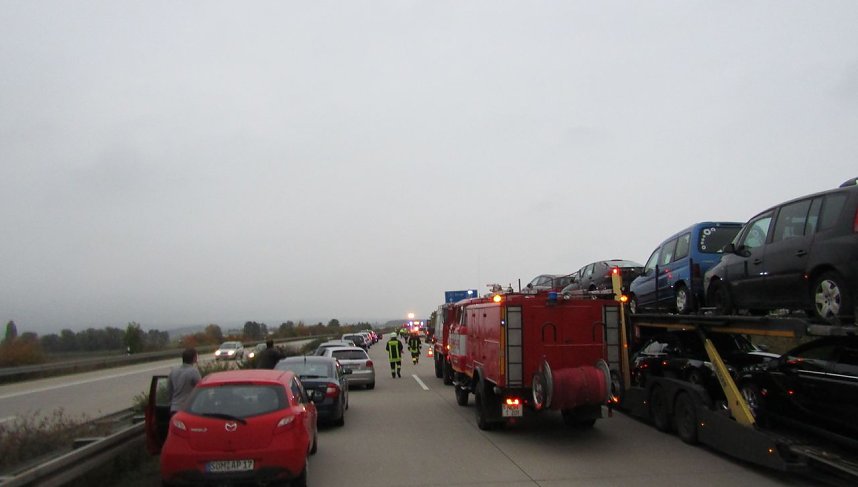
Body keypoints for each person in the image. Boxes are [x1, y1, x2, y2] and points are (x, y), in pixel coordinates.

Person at [167, 347, 201, 415]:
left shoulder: (173, 371)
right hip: (188, 409)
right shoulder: (194, 372)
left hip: (174, 408)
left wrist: (171, 403)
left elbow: (169, 391)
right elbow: (200, 389)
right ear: (194, 358)